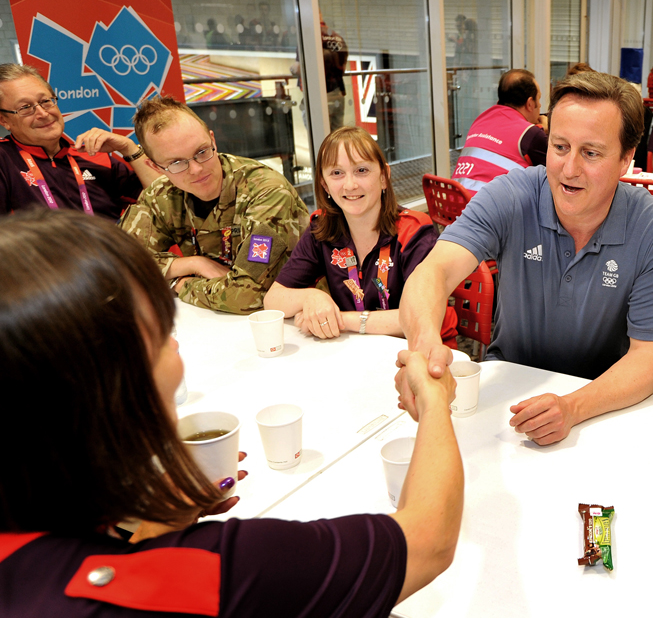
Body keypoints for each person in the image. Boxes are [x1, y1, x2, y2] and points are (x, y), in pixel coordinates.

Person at [0, 209, 464, 616]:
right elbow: (426, 542)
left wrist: (159, 525)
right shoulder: (215, 572)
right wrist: (435, 403)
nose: (178, 346)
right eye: (162, 333)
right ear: (112, 388)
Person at [397, 71, 653, 446]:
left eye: (591, 153)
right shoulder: (511, 195)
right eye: (560, 147)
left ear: (627, 158)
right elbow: (433, 272)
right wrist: (424, 349)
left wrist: (573, 407)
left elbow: (650, 358)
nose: (569, 169)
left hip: (605, 402)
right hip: (507, 395)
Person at [265, 127, 458, 343]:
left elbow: (423, 318)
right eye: (337, 173)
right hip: (359, 352)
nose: (350, 184)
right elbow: (273, 300)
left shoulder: (415, 232)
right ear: (324, 185)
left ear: (384, 177)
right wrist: (312, 296)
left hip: (422, 353)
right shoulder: (322, 228)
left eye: (362, 170)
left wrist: (342, 320)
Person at [120, 96, 309, 314]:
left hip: (300, 323)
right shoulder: (161, 196)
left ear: (213, 140)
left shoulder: (266, 191)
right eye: (176, 163)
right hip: (218, 325)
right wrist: (193, 264)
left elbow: (246, 296)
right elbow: (121, 265)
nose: (197, 169)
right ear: (155, 166)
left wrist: (180, 284)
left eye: (202, 152)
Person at [0, 64, 158, 220]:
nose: (43, 113)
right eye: (25, 107)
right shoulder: (4, 159)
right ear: (4, 120)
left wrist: (129, 149)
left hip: (108, 244)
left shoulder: (94, 157)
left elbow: (166, 204)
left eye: (45, 101)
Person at [451, 69, 548, 193]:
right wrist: (546, 131)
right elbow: (553, 176)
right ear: (530, 104)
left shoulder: (480, 121)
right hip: (490, 210)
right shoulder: (530, 134)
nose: (539, 105)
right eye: (538, 99)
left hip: (455, 204)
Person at [321, 13, 349, 132]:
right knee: (338, 133)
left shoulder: (312, 39)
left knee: (321, 135)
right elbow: (343, 64)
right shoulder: (338, 38)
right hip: (338, 90)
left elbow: (298, 68)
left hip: (322, 93)